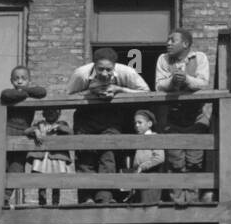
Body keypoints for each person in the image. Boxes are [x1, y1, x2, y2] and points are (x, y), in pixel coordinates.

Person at [67, 47, 148, 205]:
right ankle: (87, 198)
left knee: (108, 156)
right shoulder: (81, 74)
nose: (104, 73)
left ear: (115, 67)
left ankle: (104, 198)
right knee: (86, 157)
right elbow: (67, 95)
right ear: (94, 65)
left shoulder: (127, 72)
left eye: (108, 69)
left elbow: (146, 92)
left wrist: (119, 90)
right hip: (86, 116)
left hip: (112, 116)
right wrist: (92, 94)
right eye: (100, 69)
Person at [155, 29, 212, 205]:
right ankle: (177, 202)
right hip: (173, 118)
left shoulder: (199, 58)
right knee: (175, 161)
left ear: (185, 44)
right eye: (168, 40)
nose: (168, 43)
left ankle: (193, 202)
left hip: (196, 118)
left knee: (194, 161)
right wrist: (172, 81)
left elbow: (203, 83)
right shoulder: (163, 59)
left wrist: (185, 79)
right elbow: (158, 85)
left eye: (173, 40)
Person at [0, 65, 48, 207]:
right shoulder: (10, 94)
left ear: (29, 80)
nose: (19, 81)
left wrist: (23, 91)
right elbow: (7, 95)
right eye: (16, 79)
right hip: (8, 131)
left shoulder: (29, 93)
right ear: (11, 80)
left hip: (24, 133)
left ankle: (4, 197)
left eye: (23, 79)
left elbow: (42, 92)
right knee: (3, 166)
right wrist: (23, 92)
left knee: (18, 167)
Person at [25, 107, 73, 207]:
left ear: (58, 114)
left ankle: (55, 203)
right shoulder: (40, 124)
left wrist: (58, 127)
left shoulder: (62, 124)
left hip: (57, 156)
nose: (51, 114)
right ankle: (42, 202)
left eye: (54, 112)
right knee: (41, 180)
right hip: (42, 156)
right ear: (44, 114)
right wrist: (36, 131)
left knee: (56, 180)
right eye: (48, 112)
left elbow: (70, 132)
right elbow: (27, 131)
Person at [130, 108, 164, 206]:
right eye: (135, 123)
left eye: (139, 122)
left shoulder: (153, 137)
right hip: (140, 177)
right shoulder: (140, 139)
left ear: (149, 124)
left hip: (151, 177)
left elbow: (159, 157)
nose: (136, 125)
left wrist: (142, 166)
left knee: (149, 207)